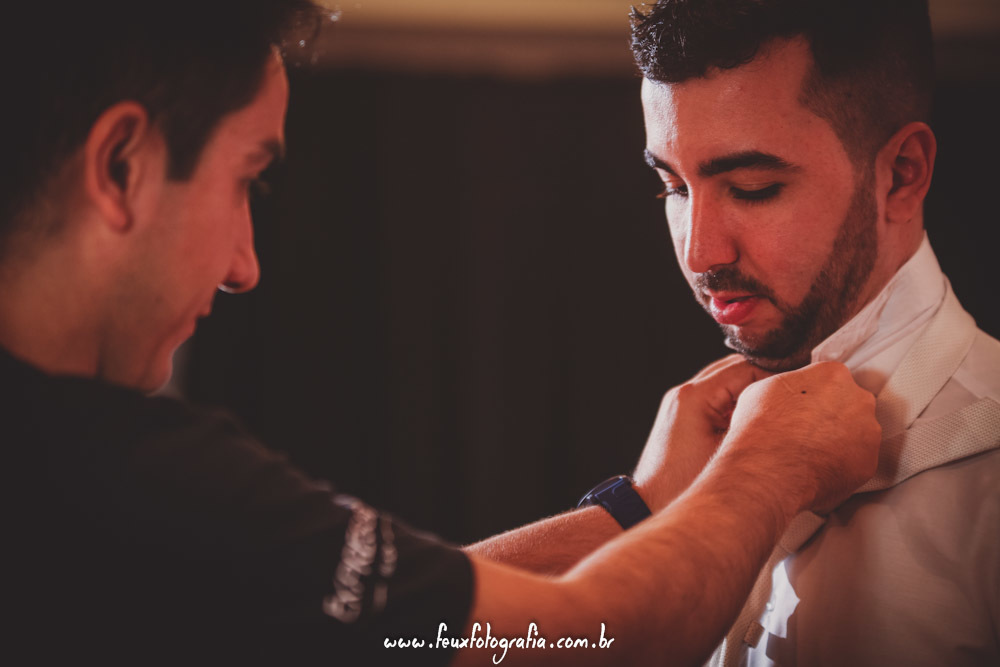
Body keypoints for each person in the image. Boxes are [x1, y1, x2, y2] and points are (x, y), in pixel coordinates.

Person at [0, 0, 881, 664]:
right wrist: (768, 466)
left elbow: (405, 631)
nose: (245, 264)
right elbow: (591, 641)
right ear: (121, 166)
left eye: (752, 187)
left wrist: (638, 506)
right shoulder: (119, 473)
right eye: (246, 182)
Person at [625, 1, 1000, 665]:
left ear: (902, 173)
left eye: (753, 187)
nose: (700, 253)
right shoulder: (686, 450)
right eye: (672, 187)